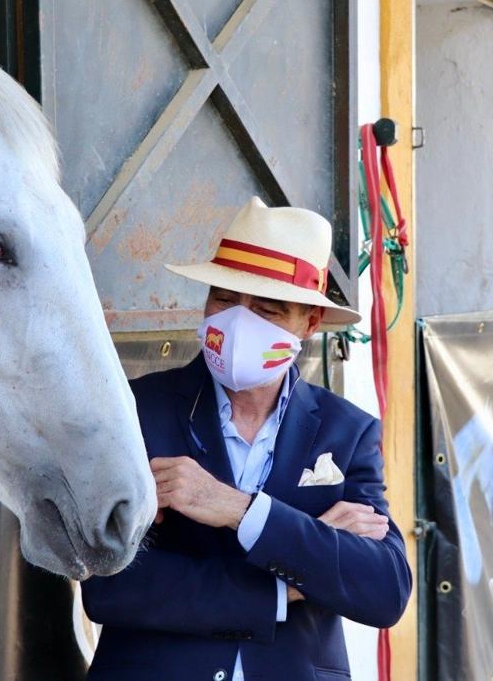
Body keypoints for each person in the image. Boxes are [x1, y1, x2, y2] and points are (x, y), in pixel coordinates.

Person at [81, 197, 411, 681]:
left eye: (267, 310)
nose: (237, 322)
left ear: (310, 323)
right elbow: (110, 587)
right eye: (223, 299)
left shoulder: (347, 431)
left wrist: (238, 508)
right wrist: (289, 584)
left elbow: (383, 590)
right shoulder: (139, 410)